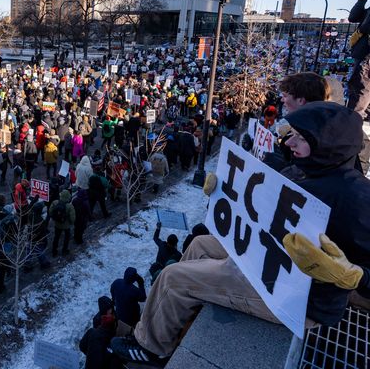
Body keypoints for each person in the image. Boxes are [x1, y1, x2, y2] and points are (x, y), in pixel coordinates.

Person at [110, 102, 370, 364]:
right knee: (200, 244)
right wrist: (223, 193)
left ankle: (150, 347)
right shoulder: (312, 168)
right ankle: (177, 314)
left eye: (301, 138)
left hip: (294, 296)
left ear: (328, 145)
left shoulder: (356, 197)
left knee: (173, 277)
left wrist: (353, 275)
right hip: (267, 259)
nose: (290, 142)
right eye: (293, 134)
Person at [347, 0, 370, 119]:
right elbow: (353, 17)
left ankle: (354, 118)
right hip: (362, 50)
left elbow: (366, 26)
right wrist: (362, 0)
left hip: (366, 52)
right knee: (358, 83)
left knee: (362, 83)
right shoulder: (368, 10)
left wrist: (361, 30)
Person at [50, 190, 75, 257]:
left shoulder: (55, 202)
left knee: (56, 237)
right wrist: (71, 223)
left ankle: (54, 251)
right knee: (67, 237)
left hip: (57, 224)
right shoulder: (70, 206)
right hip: (66, 225)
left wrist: (55, 218)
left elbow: (50, 212)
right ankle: (64, 250)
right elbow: (72, 218)